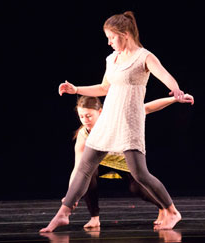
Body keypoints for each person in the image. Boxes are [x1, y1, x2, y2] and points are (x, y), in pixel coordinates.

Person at [40, 11, 186, 232]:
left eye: (111, 37)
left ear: (125, 34)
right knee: (85, 166)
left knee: (140, 174)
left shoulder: (144, 57)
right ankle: (64, 213)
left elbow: (165, 76)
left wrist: (176, 92)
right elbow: (104, 88)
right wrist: (75, 89)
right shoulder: (112, 59)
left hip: (129, 121)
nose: (108, 42)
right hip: (108, 119)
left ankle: (172, 210)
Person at [67, 95, 194, 228]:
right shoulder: (83, 135)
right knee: (88, 175)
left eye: (89, 116)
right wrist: (71, 194)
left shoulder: (115, 120)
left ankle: (163, 207)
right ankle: (94, 218)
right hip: (103, 163)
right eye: (81, 116)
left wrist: (174, 99)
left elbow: (147, 108)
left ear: (100, 112)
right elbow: (78, 168)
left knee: (137, 189)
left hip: (124, 162)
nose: (85, 120)